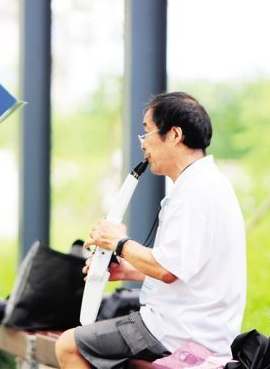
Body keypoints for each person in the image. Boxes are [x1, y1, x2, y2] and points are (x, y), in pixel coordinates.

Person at [55, 92, 247, 368]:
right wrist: (126, 271)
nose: (143, 144)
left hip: (176, 331)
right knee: (123, 361)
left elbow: (168, 270)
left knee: (69, 346)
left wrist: (119, 242)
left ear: (174, 134)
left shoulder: (193, 193)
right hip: (201, 330)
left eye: (147, 132)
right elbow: (187, 269)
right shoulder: (208, 183)